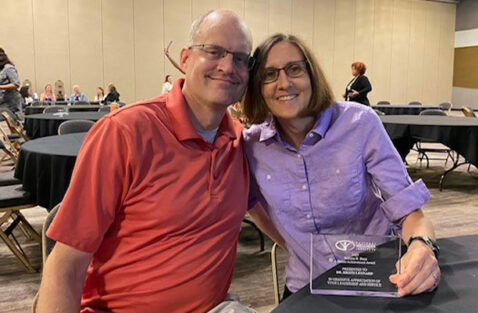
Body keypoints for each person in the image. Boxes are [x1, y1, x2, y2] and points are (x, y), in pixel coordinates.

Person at [37, 9, 257, 313]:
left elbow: (272, 214)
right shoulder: (124, 133)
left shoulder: (241, 143)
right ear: (185, 58)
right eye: (214, 51)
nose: (227, 66)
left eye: (240, 58)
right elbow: (66, 264)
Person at [242, 34, 440, 299]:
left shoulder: (360, 123)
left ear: (312, 74)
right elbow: (252, 203)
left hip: (377, 277)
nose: (284, 83)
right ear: (258, 86)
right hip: (307, 284)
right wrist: (294, 245)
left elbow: (411, 213)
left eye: (295, 69)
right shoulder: (251, 145)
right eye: (269, 74)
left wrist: (421, 245)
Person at [0, 48, 24, 118]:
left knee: (10, 124)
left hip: (11, 103)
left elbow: (16, 84)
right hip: (2, 102)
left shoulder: (8, 68)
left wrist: (1, 87)